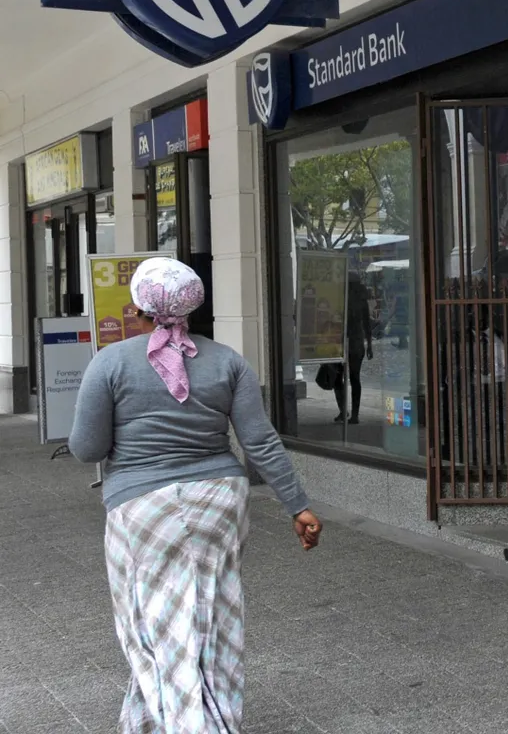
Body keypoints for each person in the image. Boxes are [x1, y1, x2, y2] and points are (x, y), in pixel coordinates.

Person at [69, 257, 321, 733]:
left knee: (152, 624)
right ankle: (161, 720)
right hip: (219, 500)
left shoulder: (109, 362)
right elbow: (260, 441)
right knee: (215, 619)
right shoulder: (228, 361)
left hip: (142, 507)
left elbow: (86, 449)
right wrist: (298, 506)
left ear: (138, 308)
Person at [334, 272, 373, 424]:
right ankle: (353, 414)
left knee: (338, 378)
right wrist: (369, 345)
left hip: (343, 342)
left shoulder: (341, 298)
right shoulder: (361, 300)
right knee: (354, 378)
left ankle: (344, 411)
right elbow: (367, 324)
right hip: (356, 342)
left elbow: (366, 323)